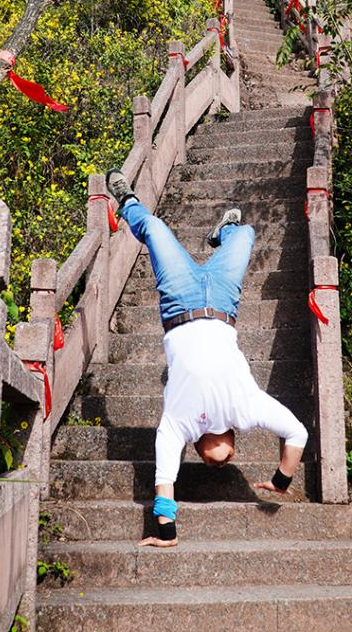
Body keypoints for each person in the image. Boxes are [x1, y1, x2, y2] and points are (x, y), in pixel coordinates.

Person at [106, 168, 309, 548]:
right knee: (246, 233)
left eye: (212, 451)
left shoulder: (179, 424)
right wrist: (281, 481)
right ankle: (223, 232)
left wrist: (166, 532)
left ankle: (126, 201)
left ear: (195, 446)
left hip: (180, 300)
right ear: (232, 433)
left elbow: (165, 480)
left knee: (154, 229)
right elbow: (297, 432)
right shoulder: (245, 408)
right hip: (221, 300)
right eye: (227, 449)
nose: (218, 443)